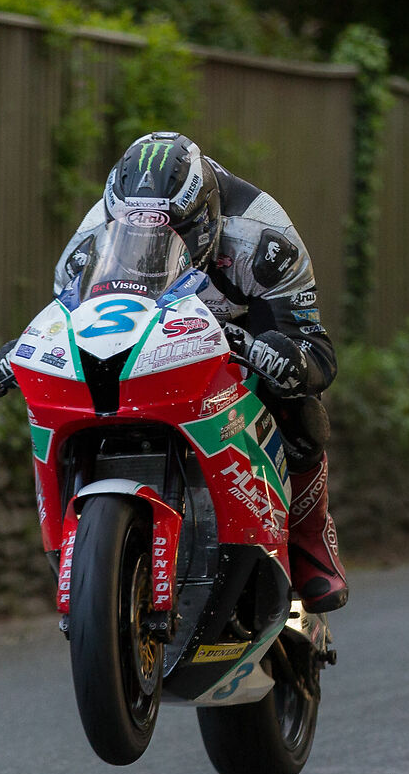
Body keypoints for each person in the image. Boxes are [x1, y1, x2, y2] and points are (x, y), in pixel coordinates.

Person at [30, 131, 349, 613]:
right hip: (147, 337)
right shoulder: (90, 239)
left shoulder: (264, 239)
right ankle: (76, 544)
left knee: (299, 405)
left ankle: (309, 541)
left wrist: (275, 355)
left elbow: (316, 350)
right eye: (134, 233)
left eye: (171, 231)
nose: (153, 243)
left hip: (241, 329)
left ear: (203, 217)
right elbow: (67, 316)